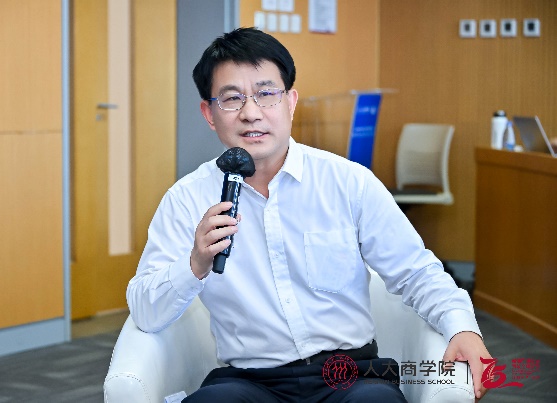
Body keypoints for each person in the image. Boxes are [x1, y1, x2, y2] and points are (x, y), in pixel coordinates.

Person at [127, 27, 492, 402]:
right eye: (232, 99)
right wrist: (194, 265)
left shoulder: (347, 182)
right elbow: (144, 310)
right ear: (209, 113)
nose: (251, 113)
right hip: (249, 381)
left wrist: (462, 328)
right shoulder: (186, 199)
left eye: (266, 94)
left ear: (290, 102)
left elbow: (415, 271)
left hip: (351, 375)